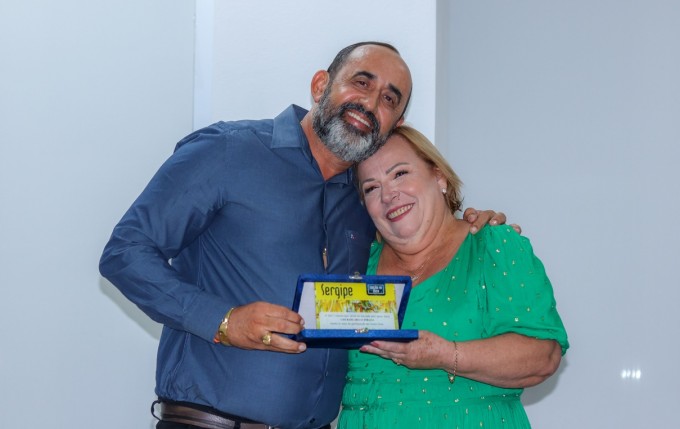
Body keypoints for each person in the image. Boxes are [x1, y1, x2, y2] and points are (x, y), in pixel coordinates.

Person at [99, 41, 509, 429]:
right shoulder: (228, 151)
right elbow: (125, 252)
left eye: (389, 99)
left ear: (395, 125)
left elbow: (420, 238)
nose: (370, 103)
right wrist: (223, 320)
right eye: (361, 82)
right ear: (320, 85)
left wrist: (472, 226)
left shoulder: (367, 201)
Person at [338, 125, 569, 429]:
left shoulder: (493, 246)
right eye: (371, 188)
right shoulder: (354, 267)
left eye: (400, 174)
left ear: (439, 177)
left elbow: (544, 356)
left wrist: (445, 354)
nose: (388, 195)